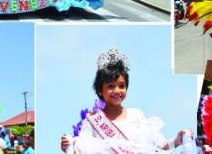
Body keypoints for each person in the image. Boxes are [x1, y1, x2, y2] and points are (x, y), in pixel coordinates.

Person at [60, 47, 192, 153]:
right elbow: (82, 149)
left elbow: (156, 147)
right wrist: (69, 145)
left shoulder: (136, 115)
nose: (117, 91)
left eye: (122, 86)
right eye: (111, 86)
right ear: (100, 90)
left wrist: (177, 140)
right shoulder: (93, 120)